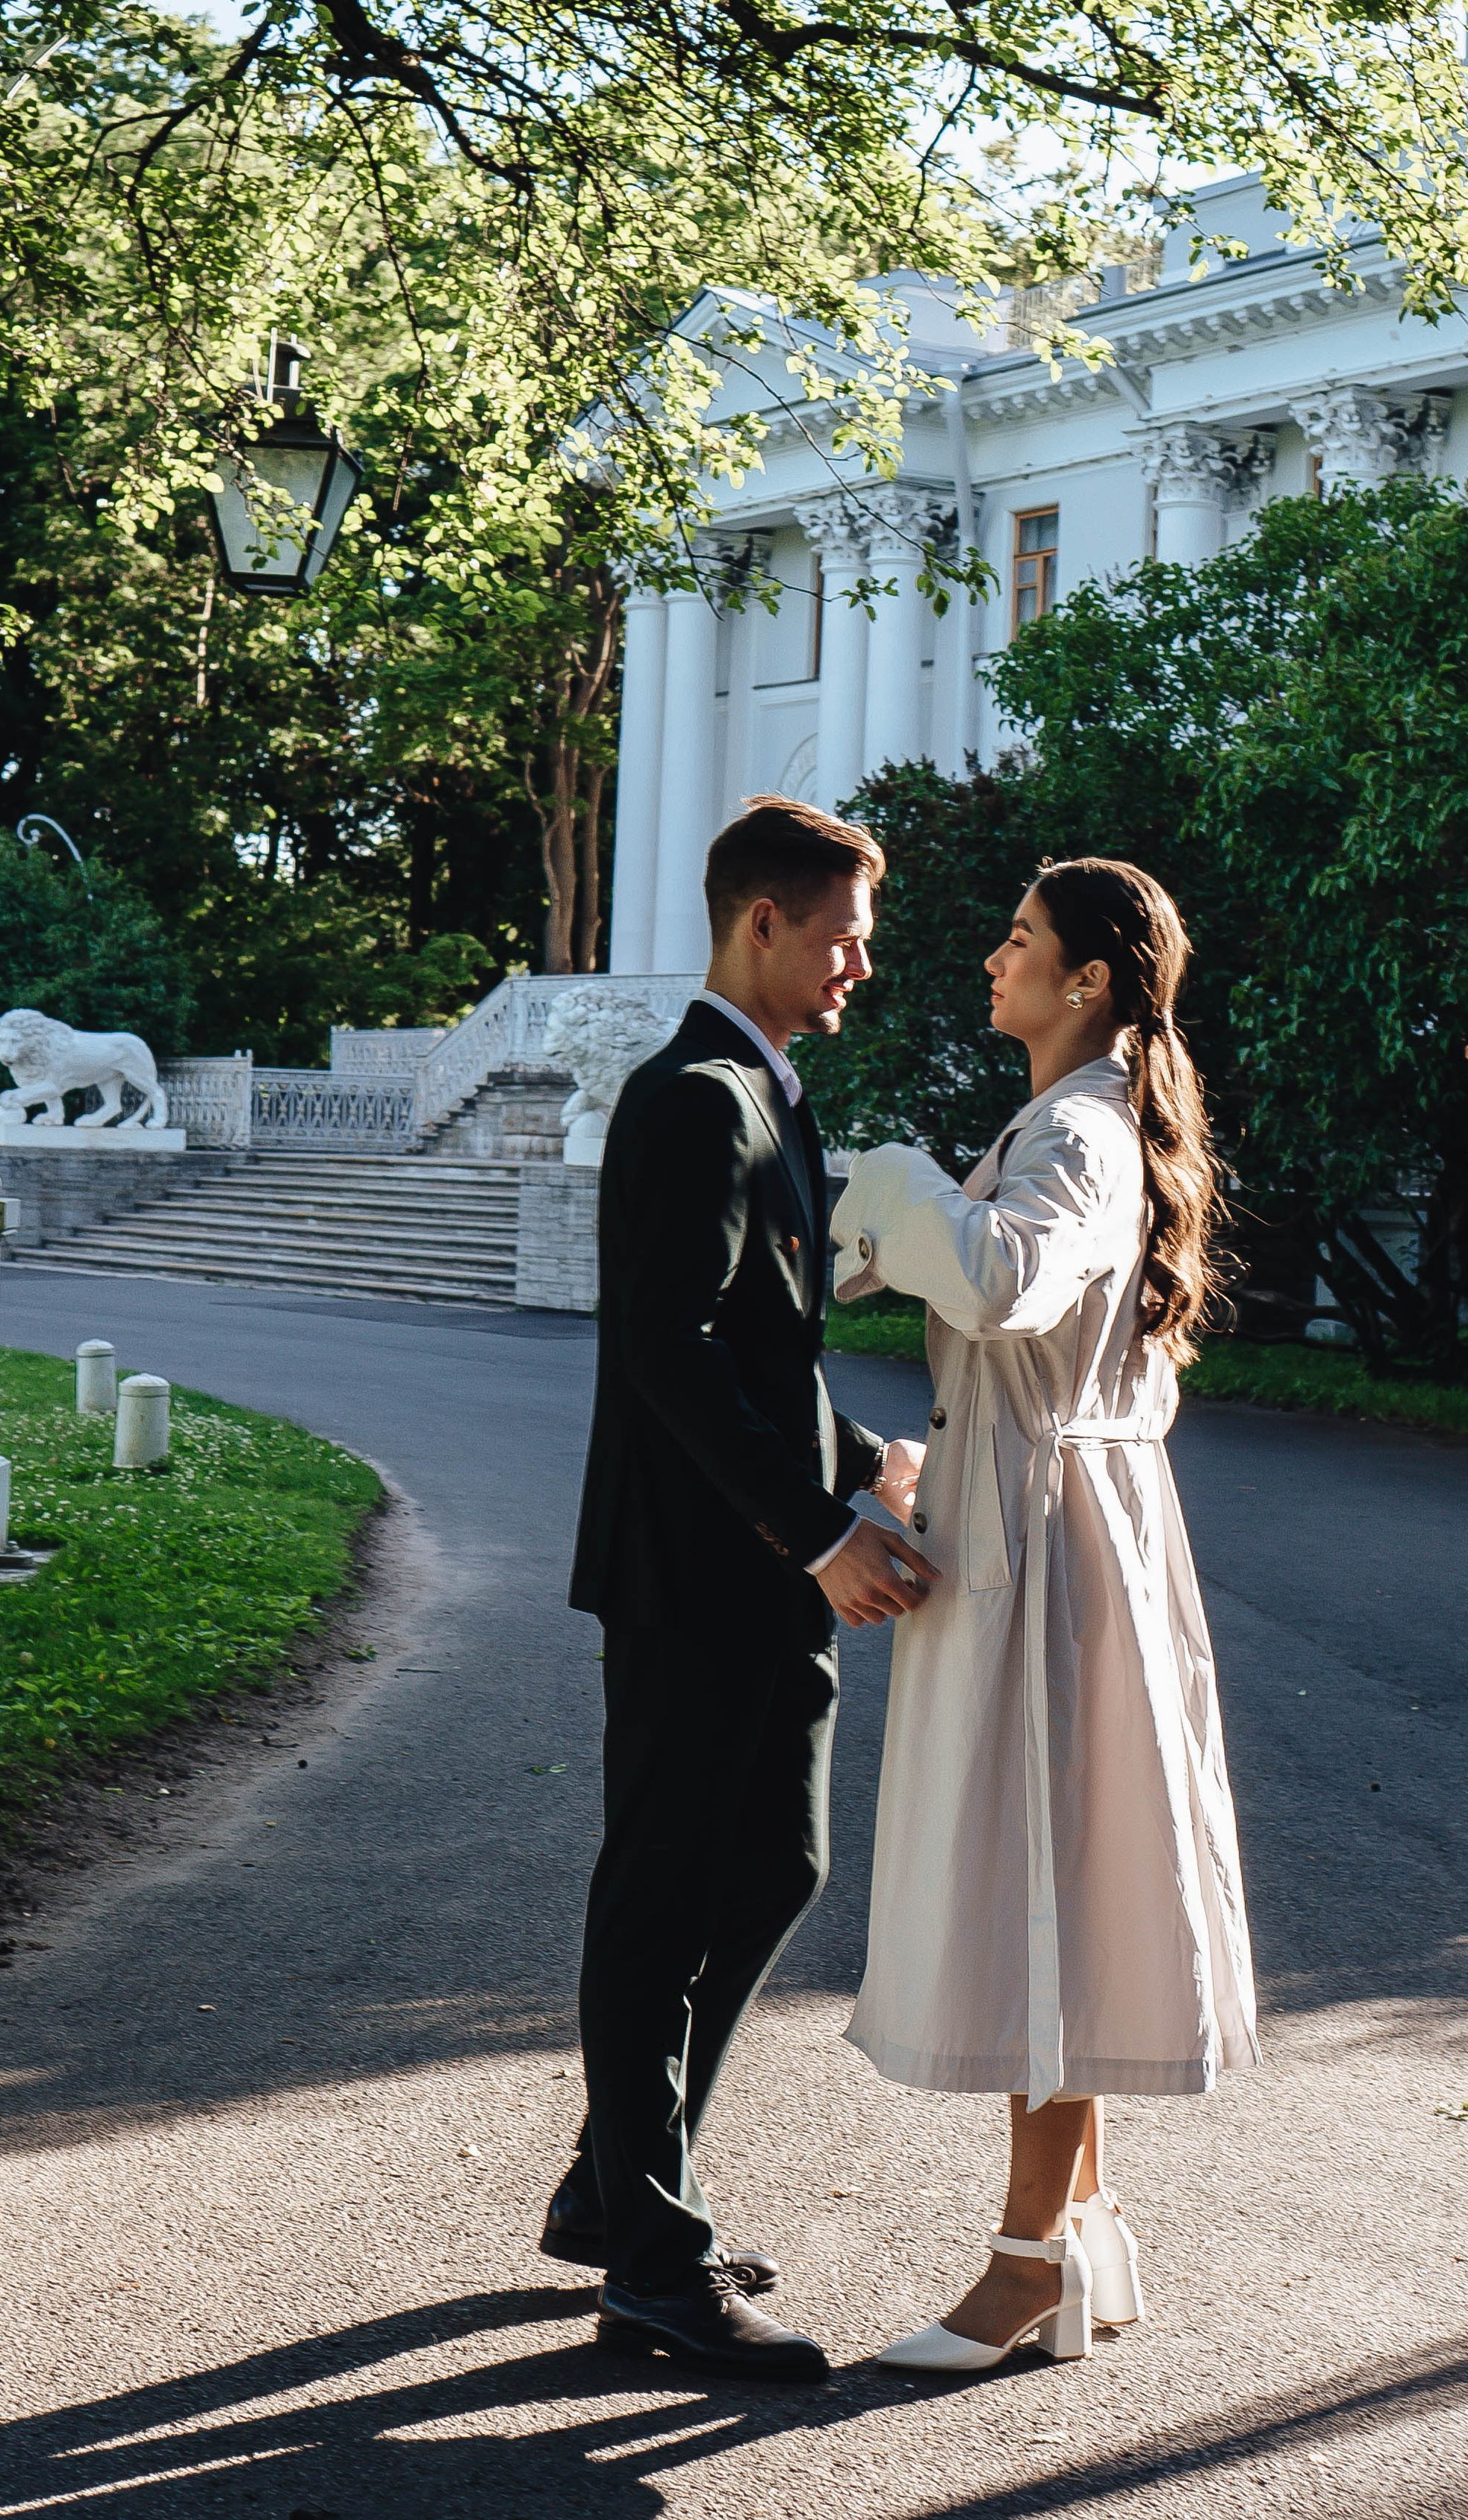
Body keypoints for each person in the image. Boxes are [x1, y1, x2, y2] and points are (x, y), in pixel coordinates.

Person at [830, 856, 1260, 2374]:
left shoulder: (1078, 1132)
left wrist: (886, 1183)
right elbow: (995, 1318)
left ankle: (1023, 2266)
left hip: (1052, 1548)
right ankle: (1078, 2236)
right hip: (1048, 1520)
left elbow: (1002, 1284)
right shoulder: (1074, 1120)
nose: (989, 962)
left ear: (1085, 979)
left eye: (1016, 941)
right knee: (1047, 1877)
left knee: (1047, 1893)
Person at [545, 794, 933, 2384]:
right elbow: (668, 1349)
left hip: (760, 1559)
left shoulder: (765, 1093)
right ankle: (654, 2257)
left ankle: (624, 2187)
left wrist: (859, 1458)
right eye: (840, 933)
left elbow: (763, 1347)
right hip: (698, 1574)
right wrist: (821, 1532)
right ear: (760, 921)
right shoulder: (691, 1096)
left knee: (774, 1868)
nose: (857, 965)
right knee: (663, 1894)